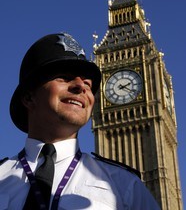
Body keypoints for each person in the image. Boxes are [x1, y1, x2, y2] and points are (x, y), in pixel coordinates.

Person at [0, 32, 160, 209]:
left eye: (88, 84)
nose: (80, 86)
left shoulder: (124, 186)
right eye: (65, 77)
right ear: (29, 97)